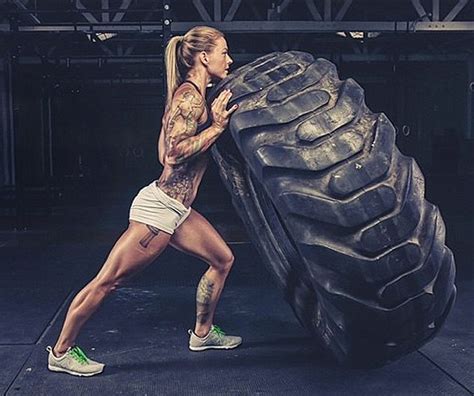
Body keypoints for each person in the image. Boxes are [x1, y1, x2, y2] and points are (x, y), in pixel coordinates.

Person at [46, 25, 241, 377]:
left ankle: (202, 333)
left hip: (178, 210)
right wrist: (216, 128)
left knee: (222, 260)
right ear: (203, 56)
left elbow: (159, 151)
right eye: (224, 52)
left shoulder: (189, 94)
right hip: (159, 210)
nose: (229, 59)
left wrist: (206, 126)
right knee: (108, 281)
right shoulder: (190, 98)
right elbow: (172, 154)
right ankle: (60, 351)